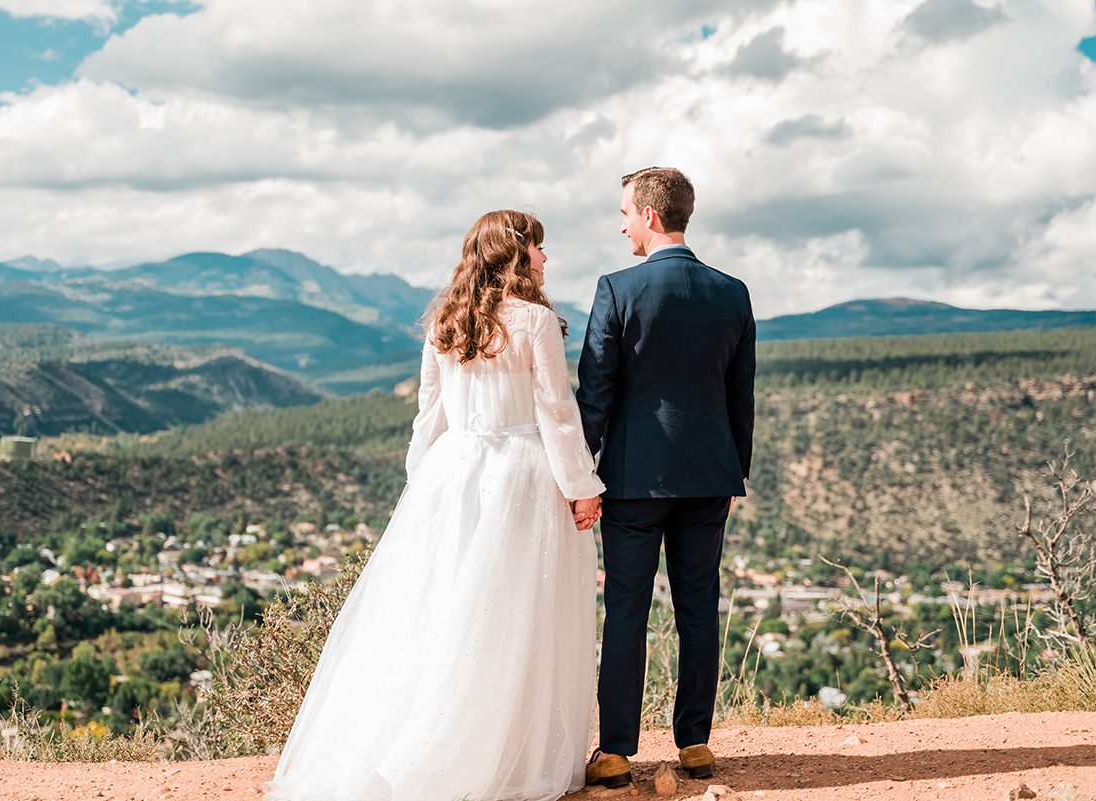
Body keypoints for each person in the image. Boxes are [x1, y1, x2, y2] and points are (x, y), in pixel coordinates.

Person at [265, 209, 606, 801]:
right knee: (515, 614)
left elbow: (431, 415)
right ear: (516, 255)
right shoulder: (534, 321)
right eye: (539, 249)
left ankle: (431, 741)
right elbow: (556, 410)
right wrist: (582, 484)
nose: (546, 260)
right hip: (522, 473)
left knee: (450, 612)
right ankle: (506, 756)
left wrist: (420, 485)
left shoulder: (446, 321)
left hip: (454, 471)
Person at [576, 167, 756, 788]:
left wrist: (580, 475)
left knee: (626, 609)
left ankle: (618, 751)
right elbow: (741, 397)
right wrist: (735, 476)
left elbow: (595, 394)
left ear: (650, 216)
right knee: (698, 609)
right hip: (709, 476)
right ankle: (696, 744)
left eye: (624, 212)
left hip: (631, 480)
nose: (621, 223)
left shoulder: (618, 290)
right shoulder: (732, 293)